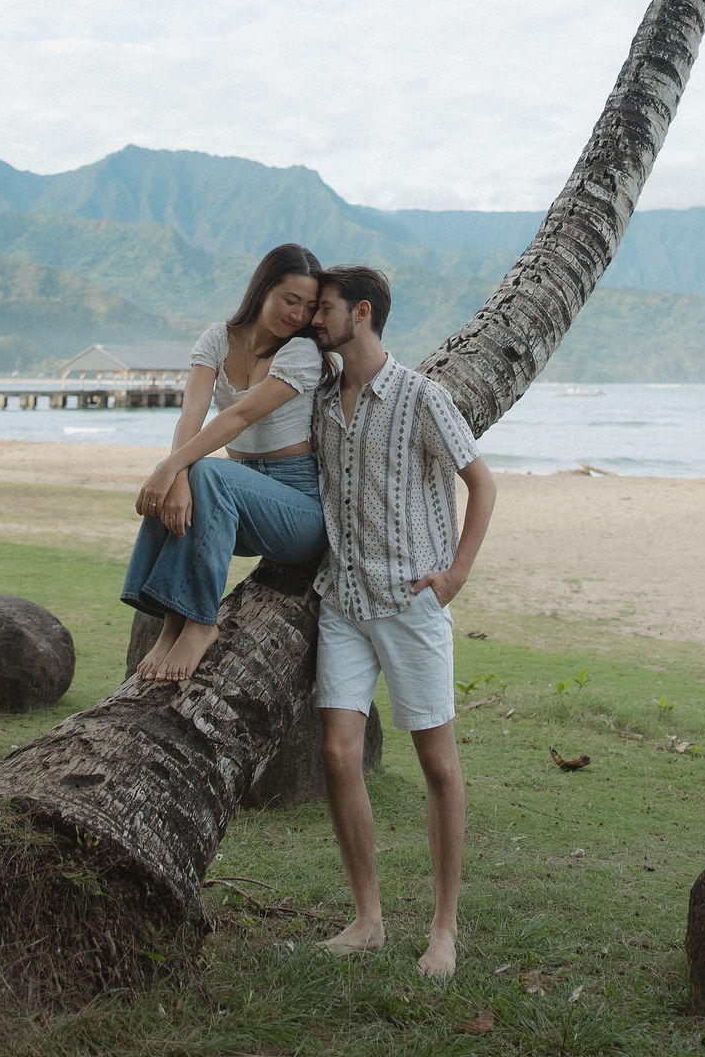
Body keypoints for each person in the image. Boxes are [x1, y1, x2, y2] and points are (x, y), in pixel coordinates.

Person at [309, 266, 497, 980]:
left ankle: (444, 930)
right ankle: (367, 919)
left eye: (324, 309)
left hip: (410, 604)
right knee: (336, 753)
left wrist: (454, 575)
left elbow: (481, 482)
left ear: (361, 313)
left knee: (438, 765)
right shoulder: (323, 397)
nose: (315, 320)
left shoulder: (422, 396)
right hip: (343, 602)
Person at [122, 243, 331, 683]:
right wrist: (177, 476)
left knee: (204, 472)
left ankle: (200, 623)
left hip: (298, 510)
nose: (297, 315)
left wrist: (168, 468)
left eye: (308, 307)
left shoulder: (301, 353)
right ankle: (170, 622)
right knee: (197, 472)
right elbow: (191, 415)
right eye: (289, 299)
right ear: (262, 289)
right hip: (234, 500)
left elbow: (238, 417)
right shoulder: (218, 338)